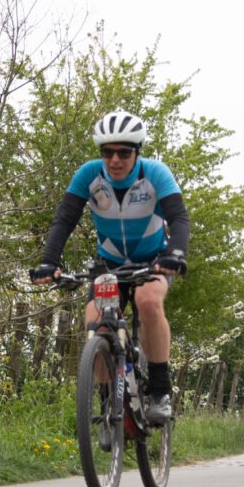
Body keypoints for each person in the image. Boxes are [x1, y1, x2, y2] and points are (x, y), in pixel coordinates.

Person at [31, 110, 189, 424]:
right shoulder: (89, 175)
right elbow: (64, 220)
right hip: (110, 263)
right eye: (107, 152)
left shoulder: (155, 173)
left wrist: (175, 254)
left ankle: (160, 390)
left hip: (153, 259)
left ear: (137, 152)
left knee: (147, 301)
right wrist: (49, 261)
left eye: (123, 153)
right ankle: (108, 402)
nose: (115, 160)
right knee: (96, 321)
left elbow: (179, 218)